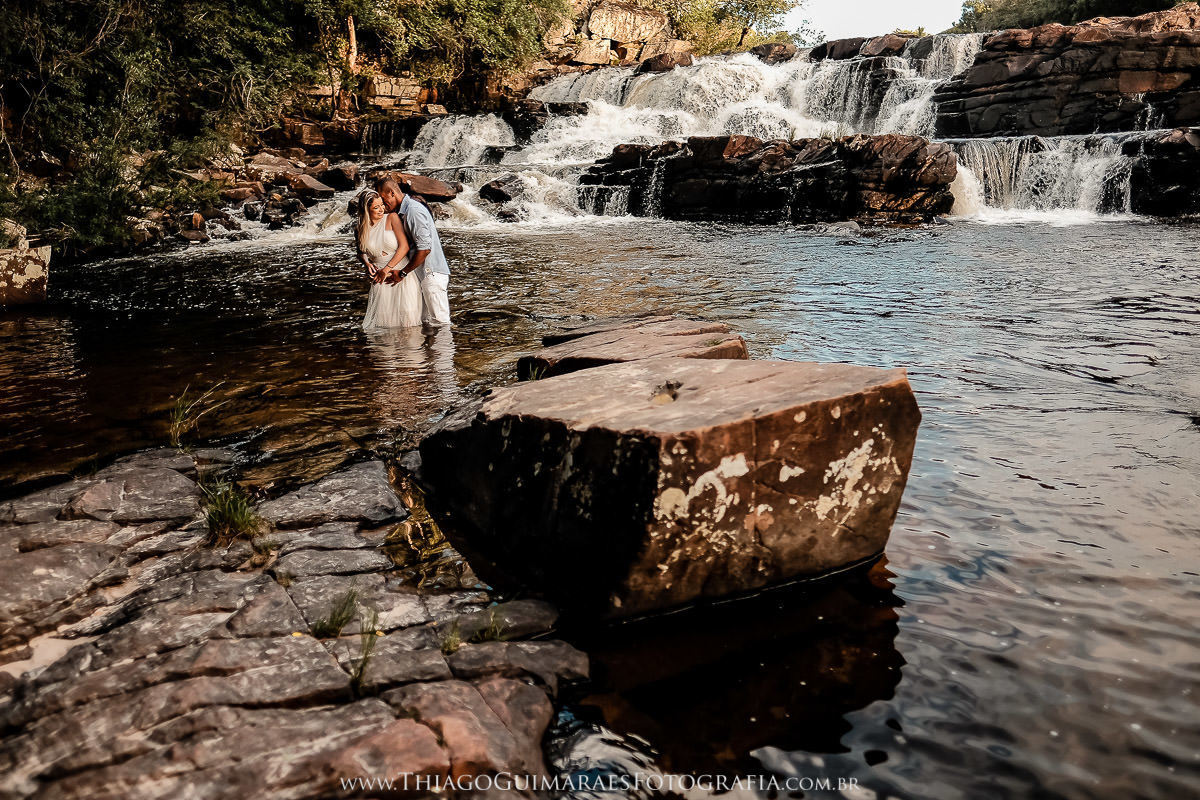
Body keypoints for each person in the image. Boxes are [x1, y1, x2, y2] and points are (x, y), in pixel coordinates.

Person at [374, 178, 452, 327]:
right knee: (427, 323)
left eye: (383, 199)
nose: (383, 204)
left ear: (392, 193)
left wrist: (403, 273)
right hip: (424, 275)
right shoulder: (404, 211)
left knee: (441, 324)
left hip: (431, 273)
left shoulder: (413, 211)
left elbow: (425, 249)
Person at [356, 191, 421, 329]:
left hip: (399, 273)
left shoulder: (391, 218)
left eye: (382, 205)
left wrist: (387, 269)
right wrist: (367, 263)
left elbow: (404, 247)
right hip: (380, 278)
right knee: (384, 322)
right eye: (376, 207)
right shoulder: (360, 228)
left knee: (408, 320)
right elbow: (361, 252)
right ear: (366, 210)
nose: (382, 209)